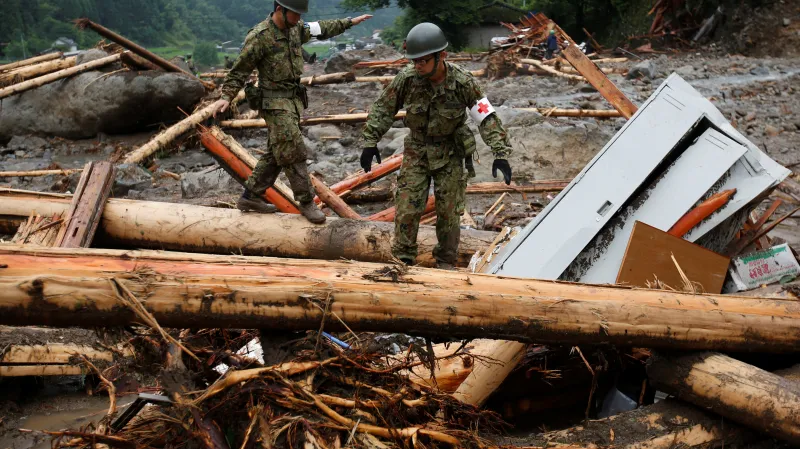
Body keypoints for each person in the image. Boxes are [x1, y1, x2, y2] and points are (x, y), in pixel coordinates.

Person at [360, 23, 514, 270]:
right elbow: (383, 109)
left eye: (423, 60)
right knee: (407, 208)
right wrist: (370, 141)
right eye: (414, 60)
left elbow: (485, 117)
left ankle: (446, 262)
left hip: (450, 152)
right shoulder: (407, 79)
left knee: (449, 213)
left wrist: (500, 153)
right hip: (417, 150)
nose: (418, 66)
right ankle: (402, 260)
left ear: (441, 56)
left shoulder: (462, 82)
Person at [211, 0, 372, 224]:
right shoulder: (260, 36)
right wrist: (226, 97)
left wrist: (349, 22)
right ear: (280, 10)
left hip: (293, 101)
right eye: (295, 14)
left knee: (278, 151)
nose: (298, 19)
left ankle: (250, 197)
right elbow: (240, 70)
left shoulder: (296, 28)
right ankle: (306, 201)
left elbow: (321, 28)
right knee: (293, 148)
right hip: (273, 102)